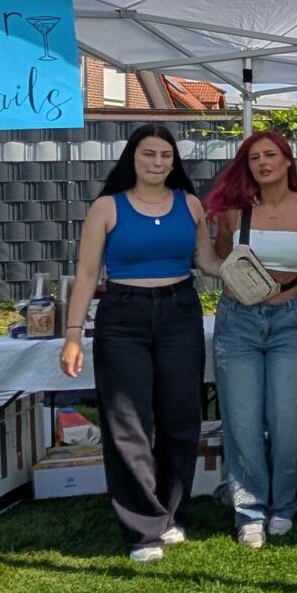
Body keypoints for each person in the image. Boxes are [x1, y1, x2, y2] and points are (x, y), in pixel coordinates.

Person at [60, 123, 213, 563]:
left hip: (180, 312)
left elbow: (207, 261)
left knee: (181, 417)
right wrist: (73, 334)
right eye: (149, 154)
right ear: (133, 157)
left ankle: (170, 514)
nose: (157, 163)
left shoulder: (191, 205)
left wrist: (252, 270)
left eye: (166, 155)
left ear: (174, 161)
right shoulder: (107, 207)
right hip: (122, 317)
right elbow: (87, 273)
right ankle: (143, 530)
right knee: (128, 421)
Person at [203, 127, 297, 547]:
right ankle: (249, 510)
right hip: (239, 320)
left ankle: (283, 505)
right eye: (254, 158)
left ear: (287, 161)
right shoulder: (235, 212)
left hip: (289, 318)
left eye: (271, 155)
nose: (263, 163)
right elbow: (219, 257)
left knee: (287, 419)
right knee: (242, 421)